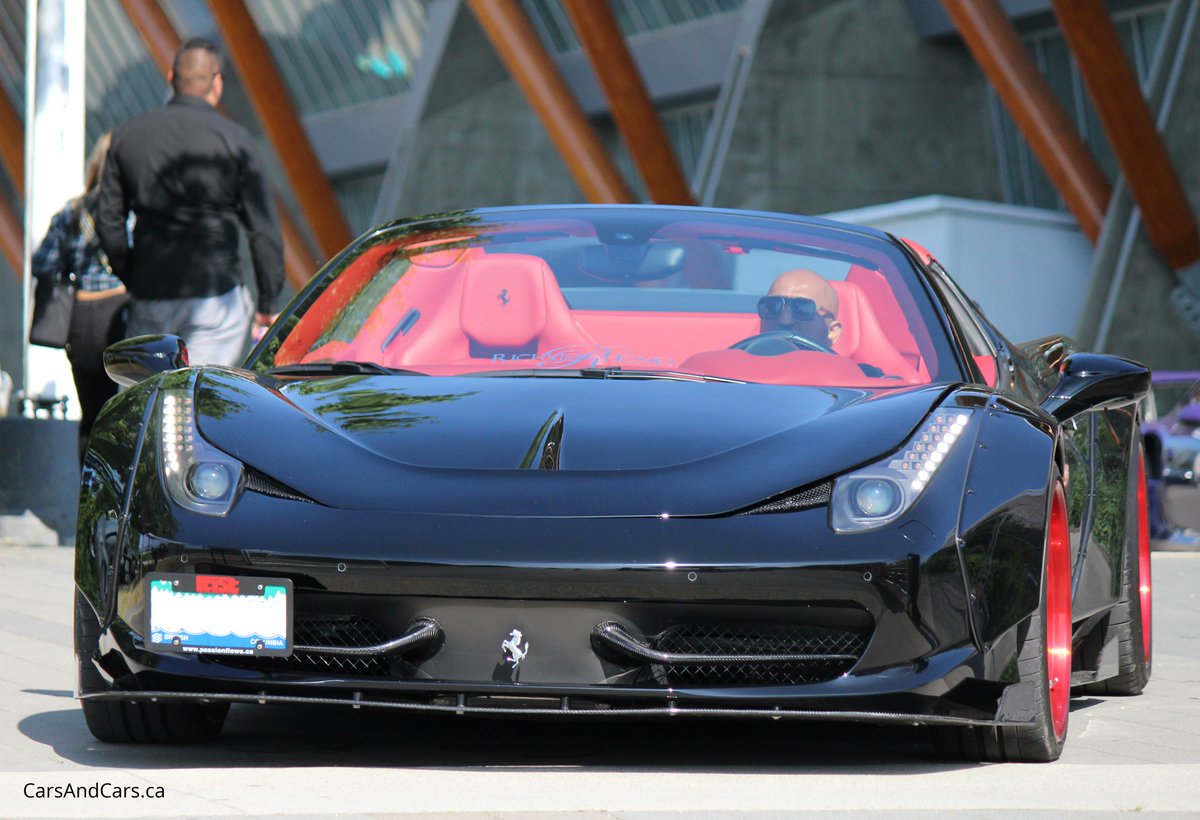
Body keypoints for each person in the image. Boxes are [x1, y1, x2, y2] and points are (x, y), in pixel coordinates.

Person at [95, 37, 284, 366]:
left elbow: (108, 220)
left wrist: (133, 275)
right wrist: (268, 302)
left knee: (149, 398)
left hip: (151, 293)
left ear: (171, 79)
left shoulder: (127, 136)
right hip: (216, 296)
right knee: (201, 399)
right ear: (216, 83)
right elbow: (263, 230)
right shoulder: (235, 141)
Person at [30, 132, 129, 460]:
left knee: (91, 415)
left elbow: (41, 263)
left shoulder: (71, 212)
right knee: (124, 412)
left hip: (82, 321)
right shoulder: (131, 209)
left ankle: (87, 495)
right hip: (121, 313)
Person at [757, 268, 843, 347]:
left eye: (802, 310)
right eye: (773, 307)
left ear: (832, 331)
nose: (784, 321)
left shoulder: (843, 365)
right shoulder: (744, 362)